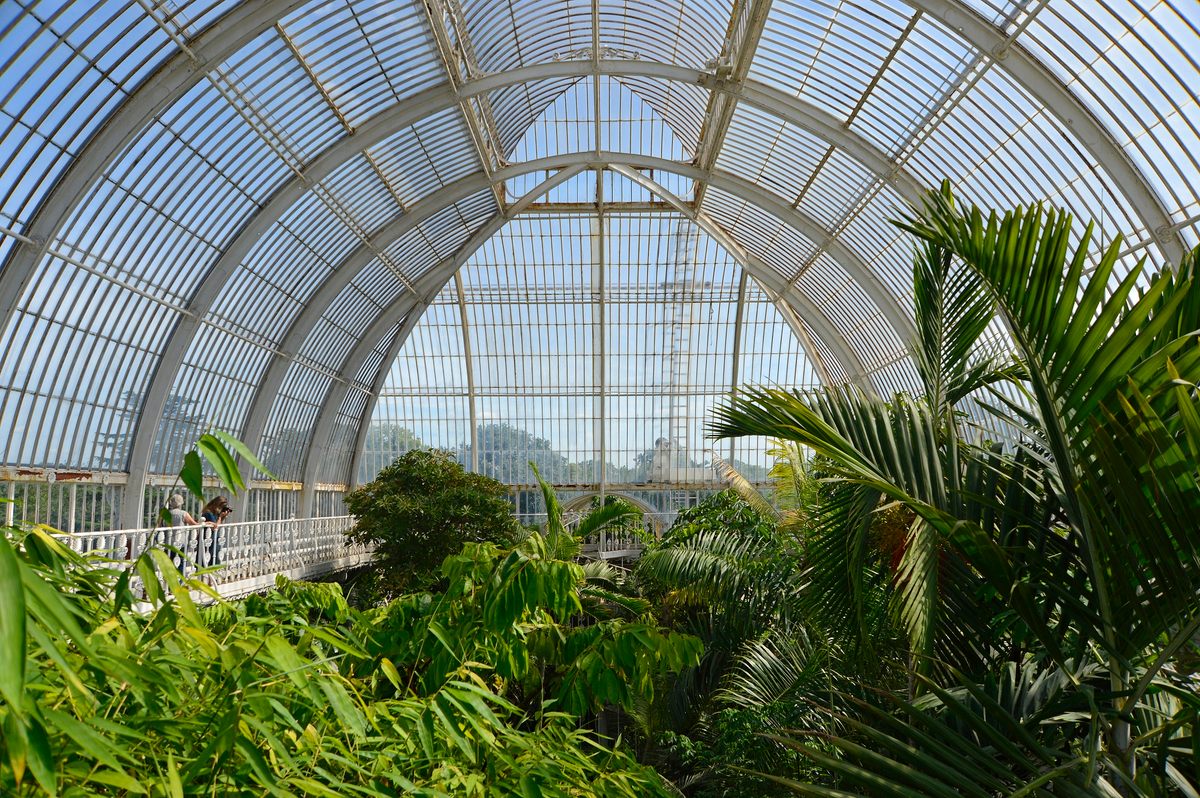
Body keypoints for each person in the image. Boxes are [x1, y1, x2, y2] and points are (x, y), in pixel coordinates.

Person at [200, 496, 233, 565]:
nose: (221, 509)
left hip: (213, 539)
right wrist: (220, 517)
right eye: (221, 506)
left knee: (214, 559)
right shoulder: (208, 513)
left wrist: (222, 516)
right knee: (207, 560)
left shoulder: (214, 513)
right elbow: (215, 527)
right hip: (209, 540)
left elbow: (217, 524)